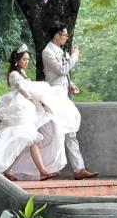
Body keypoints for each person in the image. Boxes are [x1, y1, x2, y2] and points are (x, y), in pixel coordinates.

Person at [0, 44, 80, 181]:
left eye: (27, 60)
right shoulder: (14, 74)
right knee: (17, 138)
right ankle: (28, 170)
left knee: (28, 139)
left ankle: (33, 170)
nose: (27, 62)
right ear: (17, 60)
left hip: (26, 108)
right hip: (19, 108)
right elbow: (23, 89)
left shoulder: (22, 73)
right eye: (24, 60)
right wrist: (34, 99)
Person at [42, 22, 99, 180]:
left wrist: (70, 84)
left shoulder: (59, 51)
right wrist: (74, 57)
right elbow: (61, 69)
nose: (67, 38)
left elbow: (63, 74)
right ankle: (44, 168)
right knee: (52, 134)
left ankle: (78, 168)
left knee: (70, 132)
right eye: (65, 35)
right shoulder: (48, 52)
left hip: (62, 96)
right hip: (54, 96)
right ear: (57, 36)